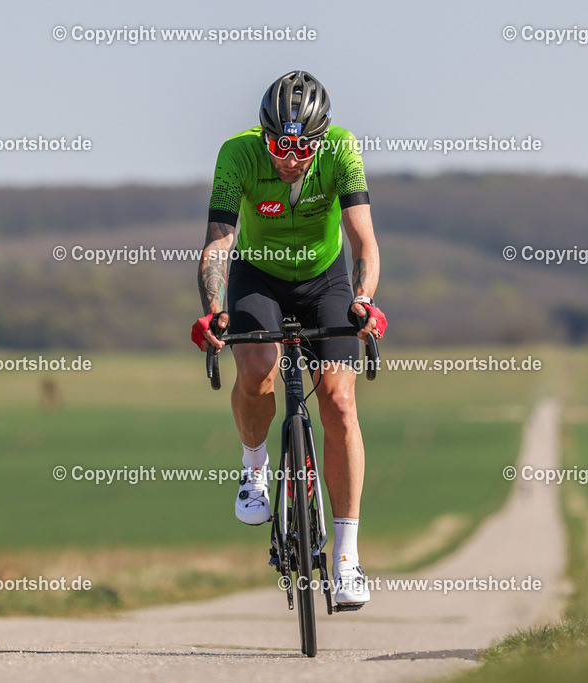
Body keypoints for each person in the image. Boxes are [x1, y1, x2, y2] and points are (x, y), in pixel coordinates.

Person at [191, 70, 386, 608]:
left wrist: (364, 300)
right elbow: (217, 245)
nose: (289, 157)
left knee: (341, 404)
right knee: (255, 369)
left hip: (328, 279)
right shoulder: (238, 155)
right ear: (264, 135)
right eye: (278, 144)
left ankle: (346, 556)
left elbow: (363, 239)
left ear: (320, 142)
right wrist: (213, 310)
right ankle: (255, 468)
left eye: (301, 148)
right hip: (260, 276)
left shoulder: (343, 150)